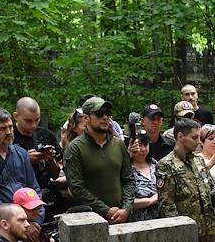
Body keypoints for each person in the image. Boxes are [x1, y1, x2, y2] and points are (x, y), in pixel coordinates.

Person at [0, 108, 42, 242]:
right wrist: (21, 223)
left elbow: (34, 188)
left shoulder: (21, 153)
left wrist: (36, 220)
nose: (9, 132)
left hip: (29, 222)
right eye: (2, 129)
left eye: (10, 127)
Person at [62, 96, 133, 224]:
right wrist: (105, 210)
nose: (105, 117)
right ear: (86, 118)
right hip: (91, 221)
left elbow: (128, 179)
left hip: (122, 218)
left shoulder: (119, 144)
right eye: (99, 114)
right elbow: (77, 188)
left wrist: (126, 208)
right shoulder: (74, 149)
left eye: (108, 113)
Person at [12, 97, 62, 194]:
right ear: (16, 116)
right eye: (28, 121)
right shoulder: (9, 138)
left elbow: (55, 175)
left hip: (48, 191)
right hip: (21, 193)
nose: (33, 125)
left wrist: (50, 159)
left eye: (37, 120)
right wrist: (25, 160)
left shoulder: (47, 135)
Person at [126, 132, 161, 223]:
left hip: (160, 217)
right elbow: (126, 202)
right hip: (137, 220)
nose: (143, 149)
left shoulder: (155, 164)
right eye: (139, 145)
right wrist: (151, 200)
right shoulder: (126, 169)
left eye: (145, 145)